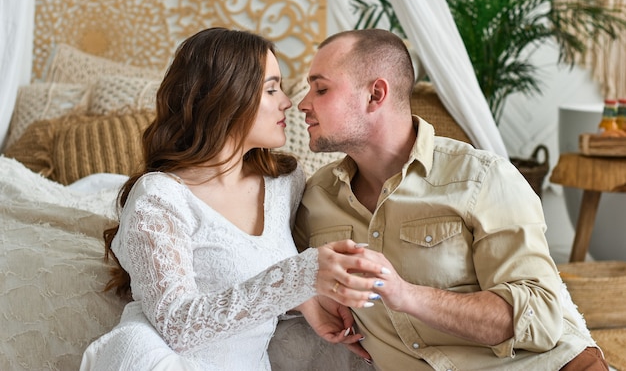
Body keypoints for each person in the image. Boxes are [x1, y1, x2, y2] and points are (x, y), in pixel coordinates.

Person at [293, 28, 608, 371]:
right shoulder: (317, 198)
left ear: (375, 94)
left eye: (321, 89)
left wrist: (405, 294)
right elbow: (262, 273)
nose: (303, 104)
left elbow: (540, 318)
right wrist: (308, 300)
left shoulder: (483, 178)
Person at [80, 27, 389, 371]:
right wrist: (302, 276)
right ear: (226, 97)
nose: (288, 102)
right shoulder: (160, 197)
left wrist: (306, 300)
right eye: (272, 89)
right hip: (162, 360)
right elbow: (178, 326)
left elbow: (255, 276)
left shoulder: (284, 183)